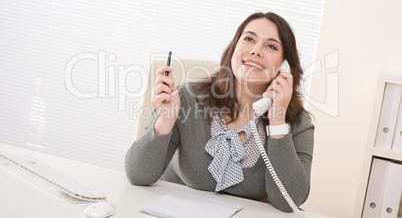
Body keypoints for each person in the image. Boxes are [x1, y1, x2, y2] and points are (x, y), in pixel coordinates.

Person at [125, 12, 314, 212]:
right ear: (234, 49)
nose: (256, 50)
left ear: (285, 66)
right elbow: (138, 175)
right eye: (249, 39)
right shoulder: (187, 98)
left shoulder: (296, 122)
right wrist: (165, 120)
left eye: (271, 46)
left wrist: (277, 120)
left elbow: (290, 201)